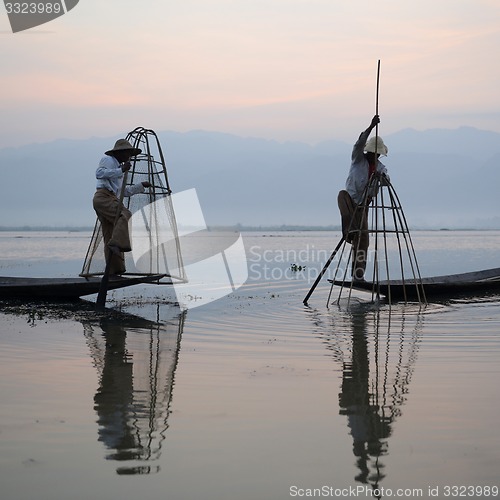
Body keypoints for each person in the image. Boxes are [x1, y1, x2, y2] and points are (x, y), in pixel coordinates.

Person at [337, 115, 389, 281]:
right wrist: (371, 126)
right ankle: (349, 233)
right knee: (355, 231)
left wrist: (380, 178)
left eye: (377, 154)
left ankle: (358, 275)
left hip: (363, 206)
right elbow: (359, 143)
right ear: (368, 151)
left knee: (363, 239)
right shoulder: (358, 159)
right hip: (349, 200)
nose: (375, 156)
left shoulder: (380, 168)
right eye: (373, 153)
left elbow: (387, 181)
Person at [93, 139, 151, 276]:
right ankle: (117, 243)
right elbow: (99, 174)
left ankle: (114, 270)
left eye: (131, 154)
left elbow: (123, 192)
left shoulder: (119, 167)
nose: (129, 156)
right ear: (120, 152)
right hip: (103, 198)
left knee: (109, 234)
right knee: (125, 215)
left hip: (112, 198)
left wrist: (140, 186)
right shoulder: (108, 160)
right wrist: (120, 170)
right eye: (127, 153)